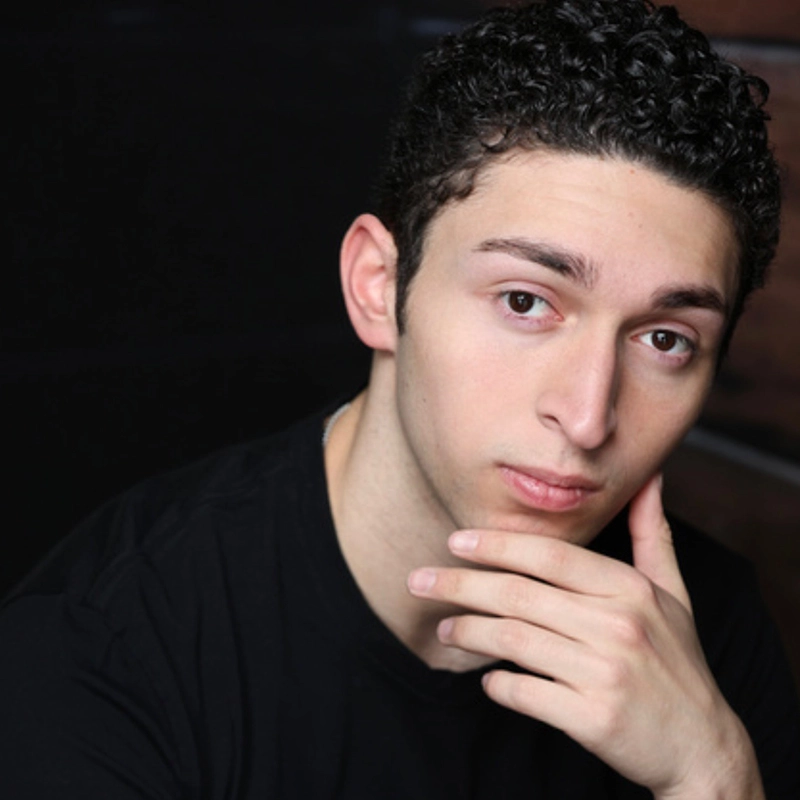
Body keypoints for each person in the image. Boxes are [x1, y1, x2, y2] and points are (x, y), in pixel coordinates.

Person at [1, 0, 798, 797]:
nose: (587, 417)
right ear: (379, 288)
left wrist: (711, 776)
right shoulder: (102, 654)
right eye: (525, 301)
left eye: (665, 339)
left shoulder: (704, 644)